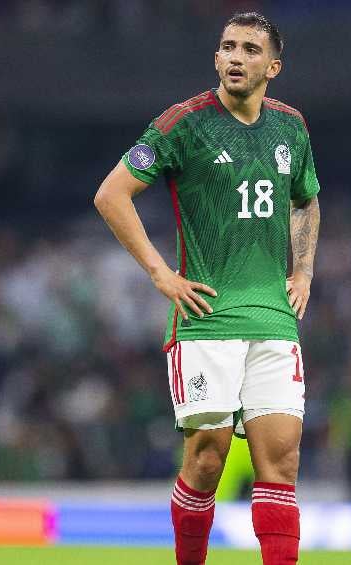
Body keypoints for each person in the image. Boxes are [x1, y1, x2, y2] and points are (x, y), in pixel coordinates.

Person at [94, 11, 321, 565]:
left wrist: (304, 271)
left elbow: (306, 199)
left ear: (274, 66)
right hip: (207, 320)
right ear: (216, 58)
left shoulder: (290, 125)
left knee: (282, 463)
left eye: (249, 48)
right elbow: (111, 195)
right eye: (227, 47)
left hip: (272, 319)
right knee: (207, 460)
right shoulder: (183, 124)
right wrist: (158, 272)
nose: (235, 57)